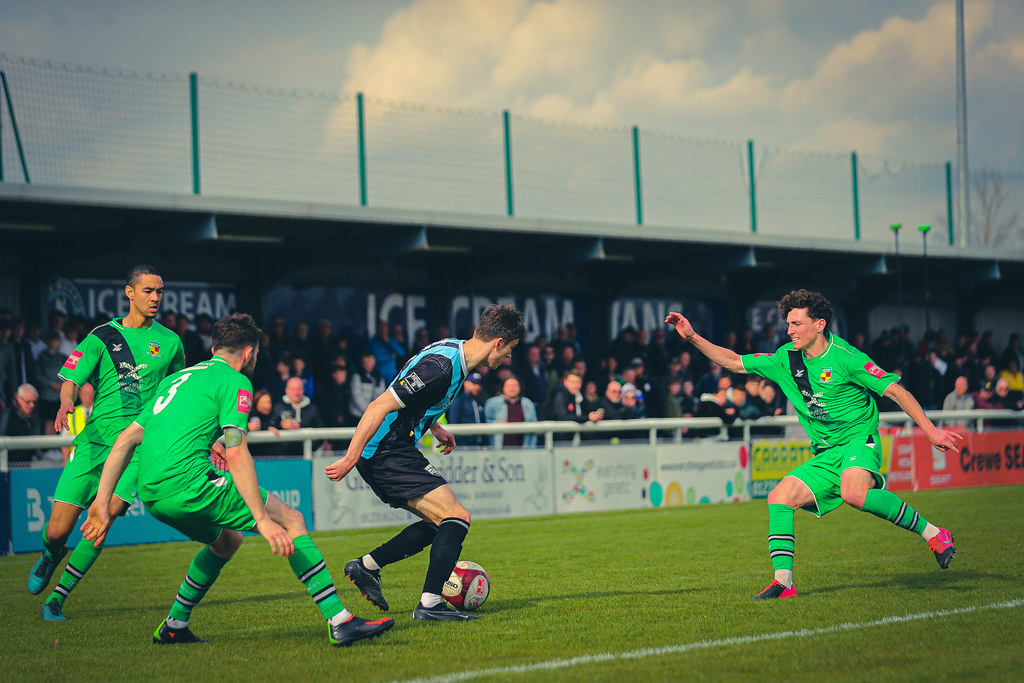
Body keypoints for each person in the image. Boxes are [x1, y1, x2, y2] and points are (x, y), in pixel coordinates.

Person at [80, 313, 393, 646]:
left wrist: (101, 502)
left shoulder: (177, 380)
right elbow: (237, 451)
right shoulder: (235, 381)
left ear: (214, 348)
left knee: (227, 541)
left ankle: (174, 626)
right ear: (249, 353)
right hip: (189, 484)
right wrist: (262, 519)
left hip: (153, 493)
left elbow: (126, 439)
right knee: (291, 520)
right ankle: (340, 621)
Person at [666, 289, 962, 600]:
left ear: (819, 324)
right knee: (779, 497)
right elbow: (735, 362)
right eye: (788, 324)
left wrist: (931, 431)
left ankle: (934, 534)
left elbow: (896, 392)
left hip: (859, 440)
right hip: (825, 452)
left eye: (796, 324)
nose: (789, 330)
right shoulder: (785, 359)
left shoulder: (847, 358)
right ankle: (784, 583)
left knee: (853, 493)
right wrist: (693, 337)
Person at [324, 304, 524, 621]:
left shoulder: (455, 351)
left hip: (393, 447)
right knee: (456, 517)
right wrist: (351, 456)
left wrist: (436, 427)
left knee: (441, 524)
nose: (509, 357)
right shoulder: (441, 368)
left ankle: (367, 566)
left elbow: (416, 399)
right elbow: (378, 406)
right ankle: (429, 605)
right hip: (385, 451)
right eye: (511, 348)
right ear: (498, 343)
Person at [28, 265, 187, 622]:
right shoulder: (102, 336)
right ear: (129, 293)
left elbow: (179, 393)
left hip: (136, 448)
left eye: (160, 291)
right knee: (56, 532)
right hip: (94, 443)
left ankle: (57, 599)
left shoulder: (171, 342)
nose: (156, 298)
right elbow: (71, 379)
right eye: (148, 291)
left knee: (104, 516)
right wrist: (65, 402)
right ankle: (52, 554)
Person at [543, 370, 603, 442]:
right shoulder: (559, 395)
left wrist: (595, 415)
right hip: (559, 440)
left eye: (578, 382)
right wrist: (588, 417)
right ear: (565, 382)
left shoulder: (579, 396)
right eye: (572, 382)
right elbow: (563, 417)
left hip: (574, 439)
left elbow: (587, 410)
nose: (575, 385)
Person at [270, 377, 325, 456]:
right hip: (282, 456)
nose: (296, 392)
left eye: (299, 389)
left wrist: (301, 428)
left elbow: (321, 432)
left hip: (306, 455)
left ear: (303, 390)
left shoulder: (313, 409)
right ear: (287, 390)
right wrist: (281, 426)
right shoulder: (278, 407)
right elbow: (270, 426)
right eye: (293, 389)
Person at [483, 375, 539, 449]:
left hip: (524, 449)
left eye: (515, 385)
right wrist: (496, 424)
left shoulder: (527, 403)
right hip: (498, 449)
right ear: (503, 388)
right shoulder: (492, 403)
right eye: (509, 386)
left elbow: (534, 427)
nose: (512, 388)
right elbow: (485, 423)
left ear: (520, 388)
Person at [0, 383, 44, 462]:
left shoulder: (34, 415)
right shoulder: (7, 417)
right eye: (28, 402)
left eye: (34, 402)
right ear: (18, 398)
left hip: (28, 462)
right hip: (10, 463)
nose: (32, 405)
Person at [445, 371, 487, 447]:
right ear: (465, 383)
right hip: (464, 446)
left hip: (479, 445)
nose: (477, 387)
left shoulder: (479, 401)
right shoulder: (458, 400)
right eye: (474, 383)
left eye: (479, 384)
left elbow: (483, 423)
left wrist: (484, 444)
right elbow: (453, 423)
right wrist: (461, 444)